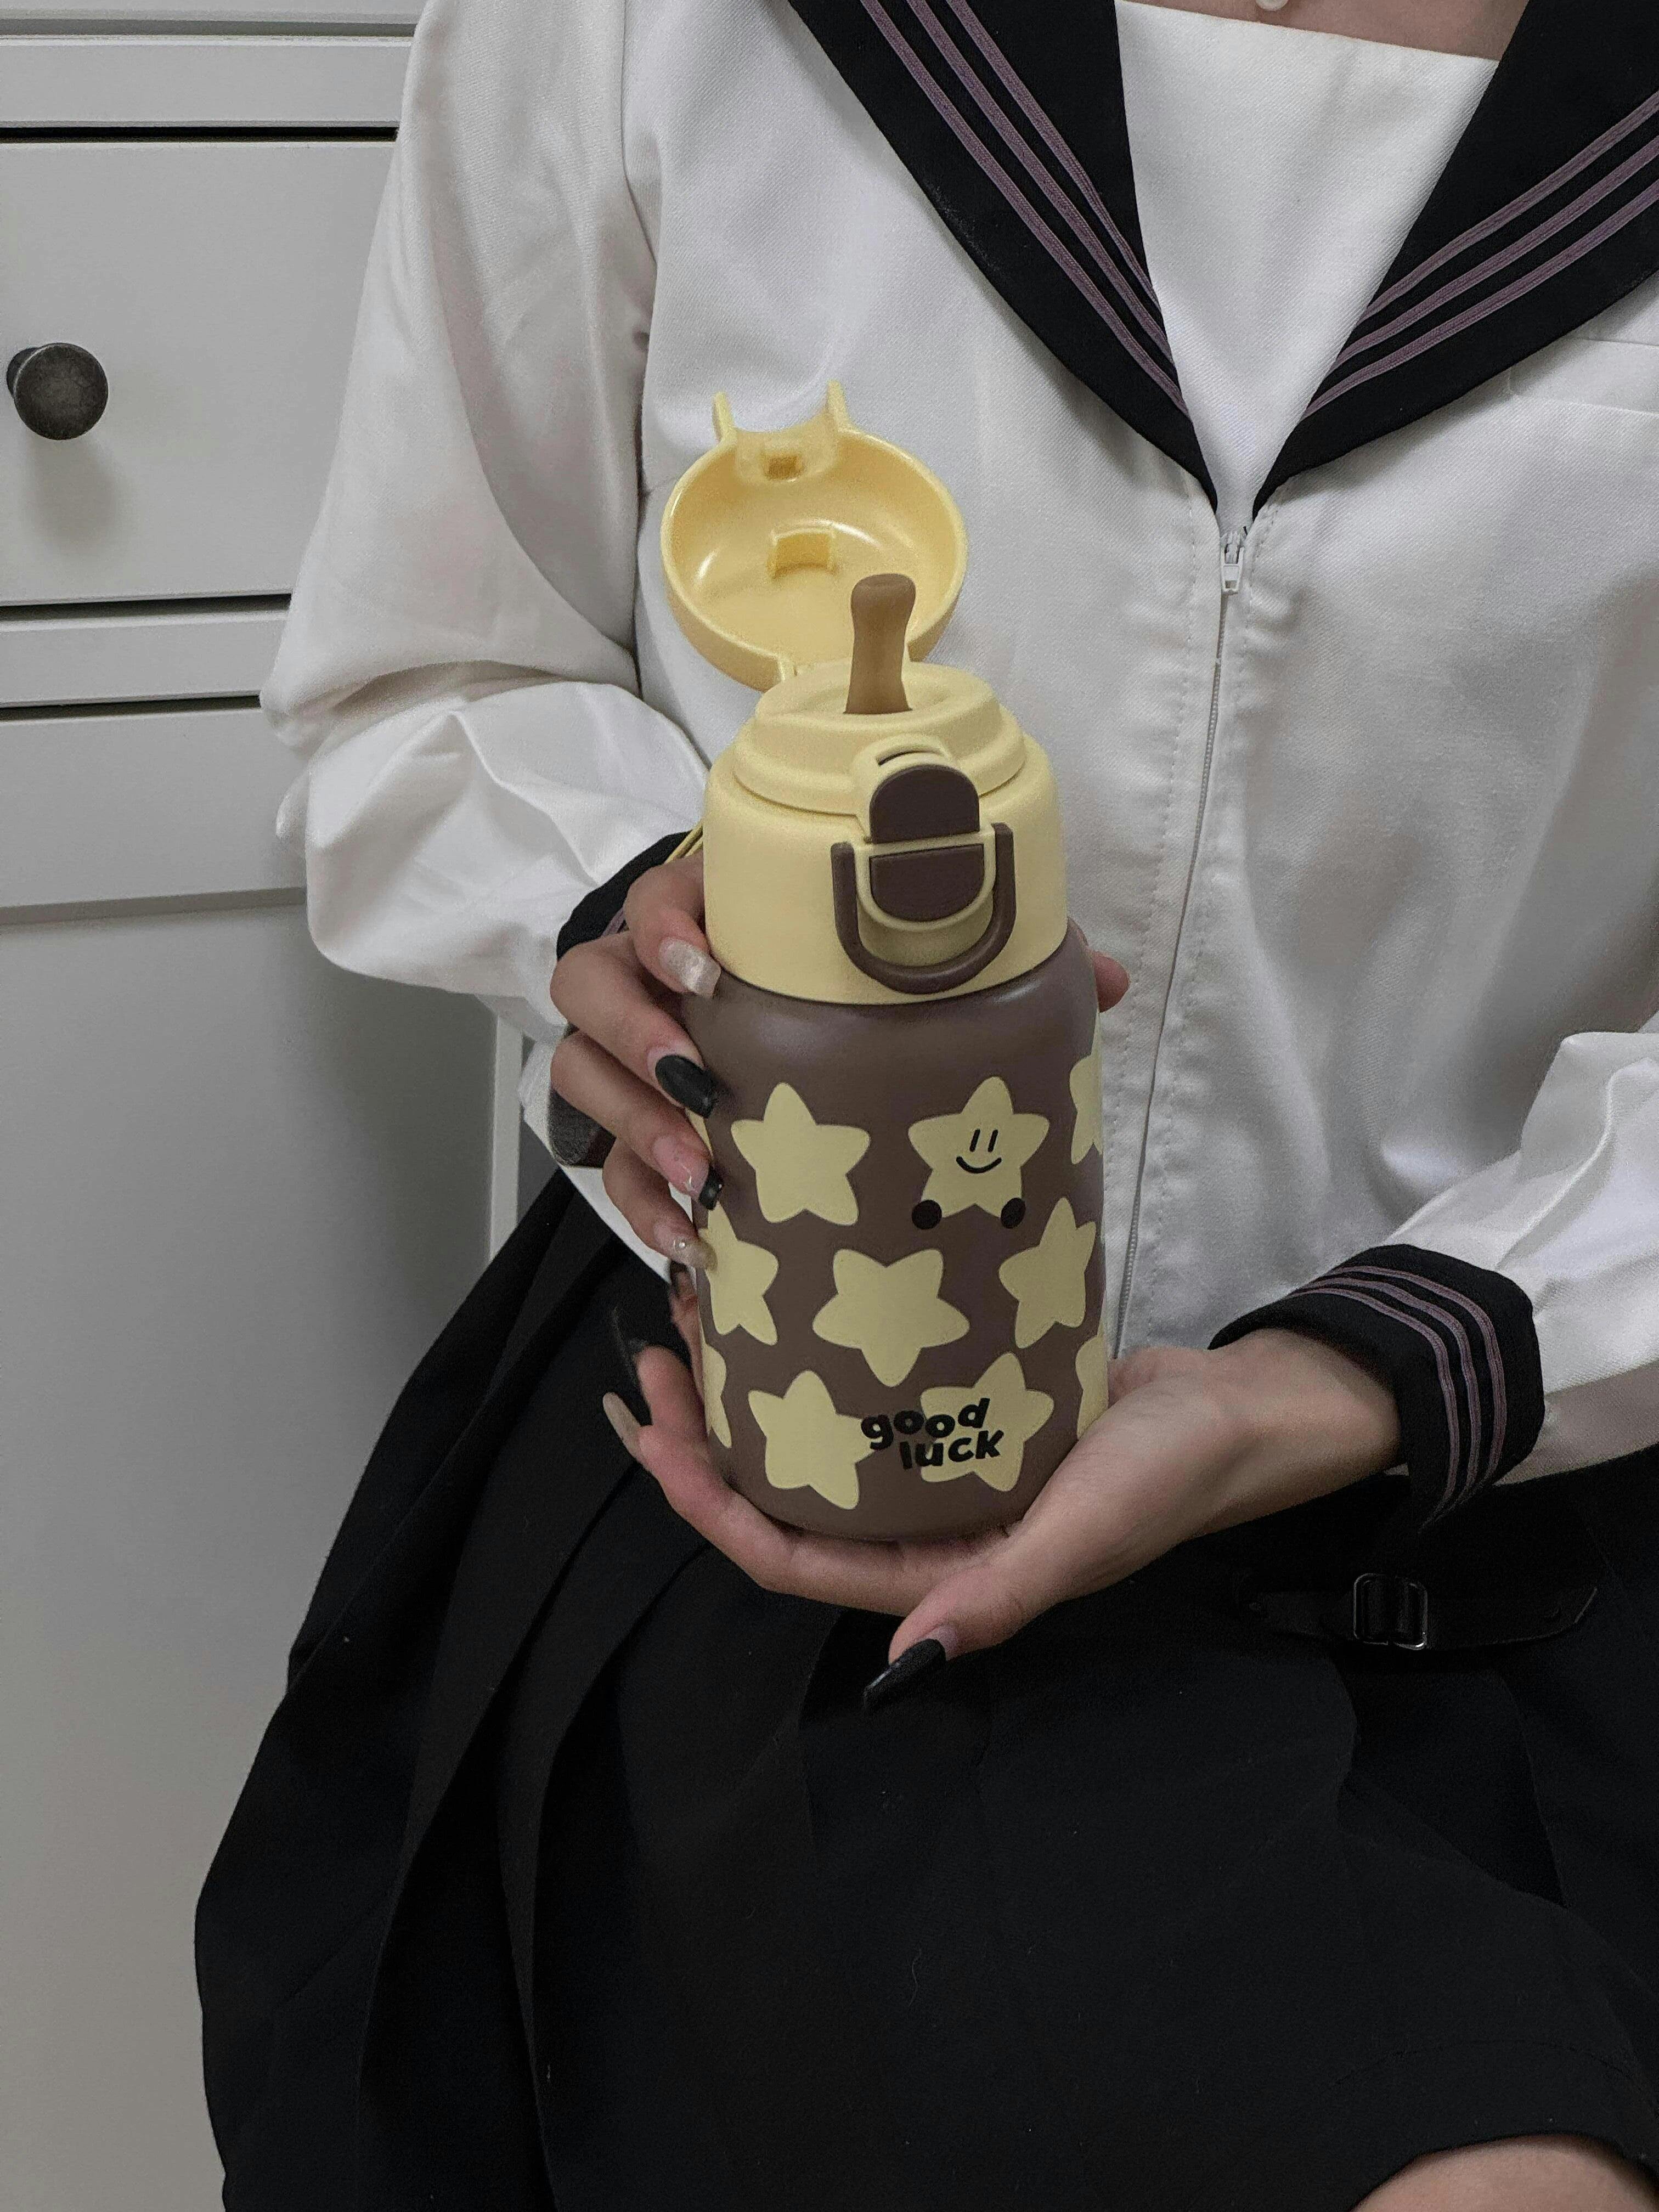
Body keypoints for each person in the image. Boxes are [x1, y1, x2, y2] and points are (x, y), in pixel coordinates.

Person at [196, 0, 1659, 2205]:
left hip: (1523, 1482)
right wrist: (630, 912)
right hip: (796, 1483)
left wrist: (1359, 1374)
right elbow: (427, 678)